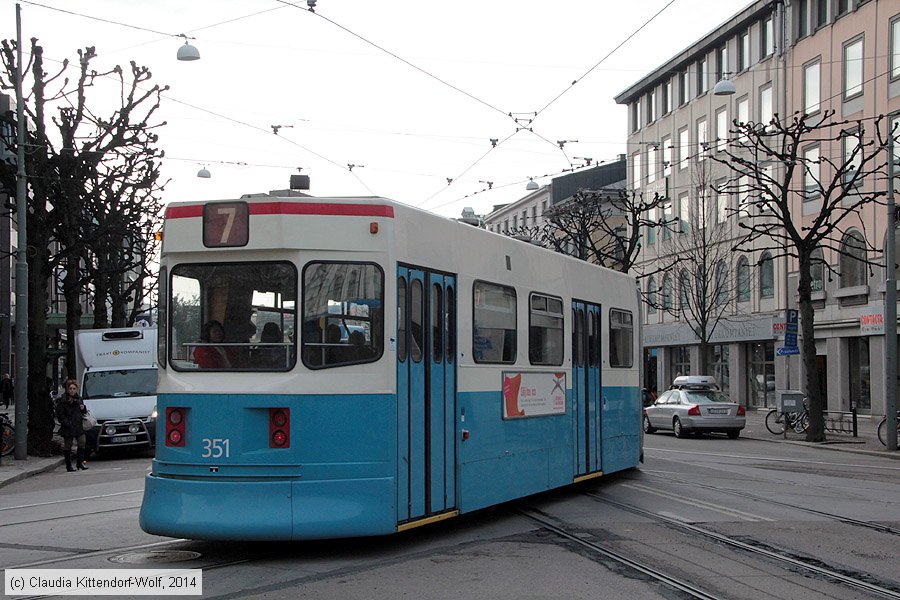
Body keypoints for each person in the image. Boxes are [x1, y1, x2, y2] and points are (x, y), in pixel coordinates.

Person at [55, 379, 88, 472]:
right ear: (67, 389)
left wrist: (83, 408)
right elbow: (60, 415)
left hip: (78, 425)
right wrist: (67, 423)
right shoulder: (63, 400)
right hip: (68, 426)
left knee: (82, 442)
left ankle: (80, 463)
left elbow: (84, 412)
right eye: (70, 388)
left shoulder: (79, 399)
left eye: (74, 388)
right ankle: (68, 465)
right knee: (68, 446)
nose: (72, 390)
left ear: (76, 389)